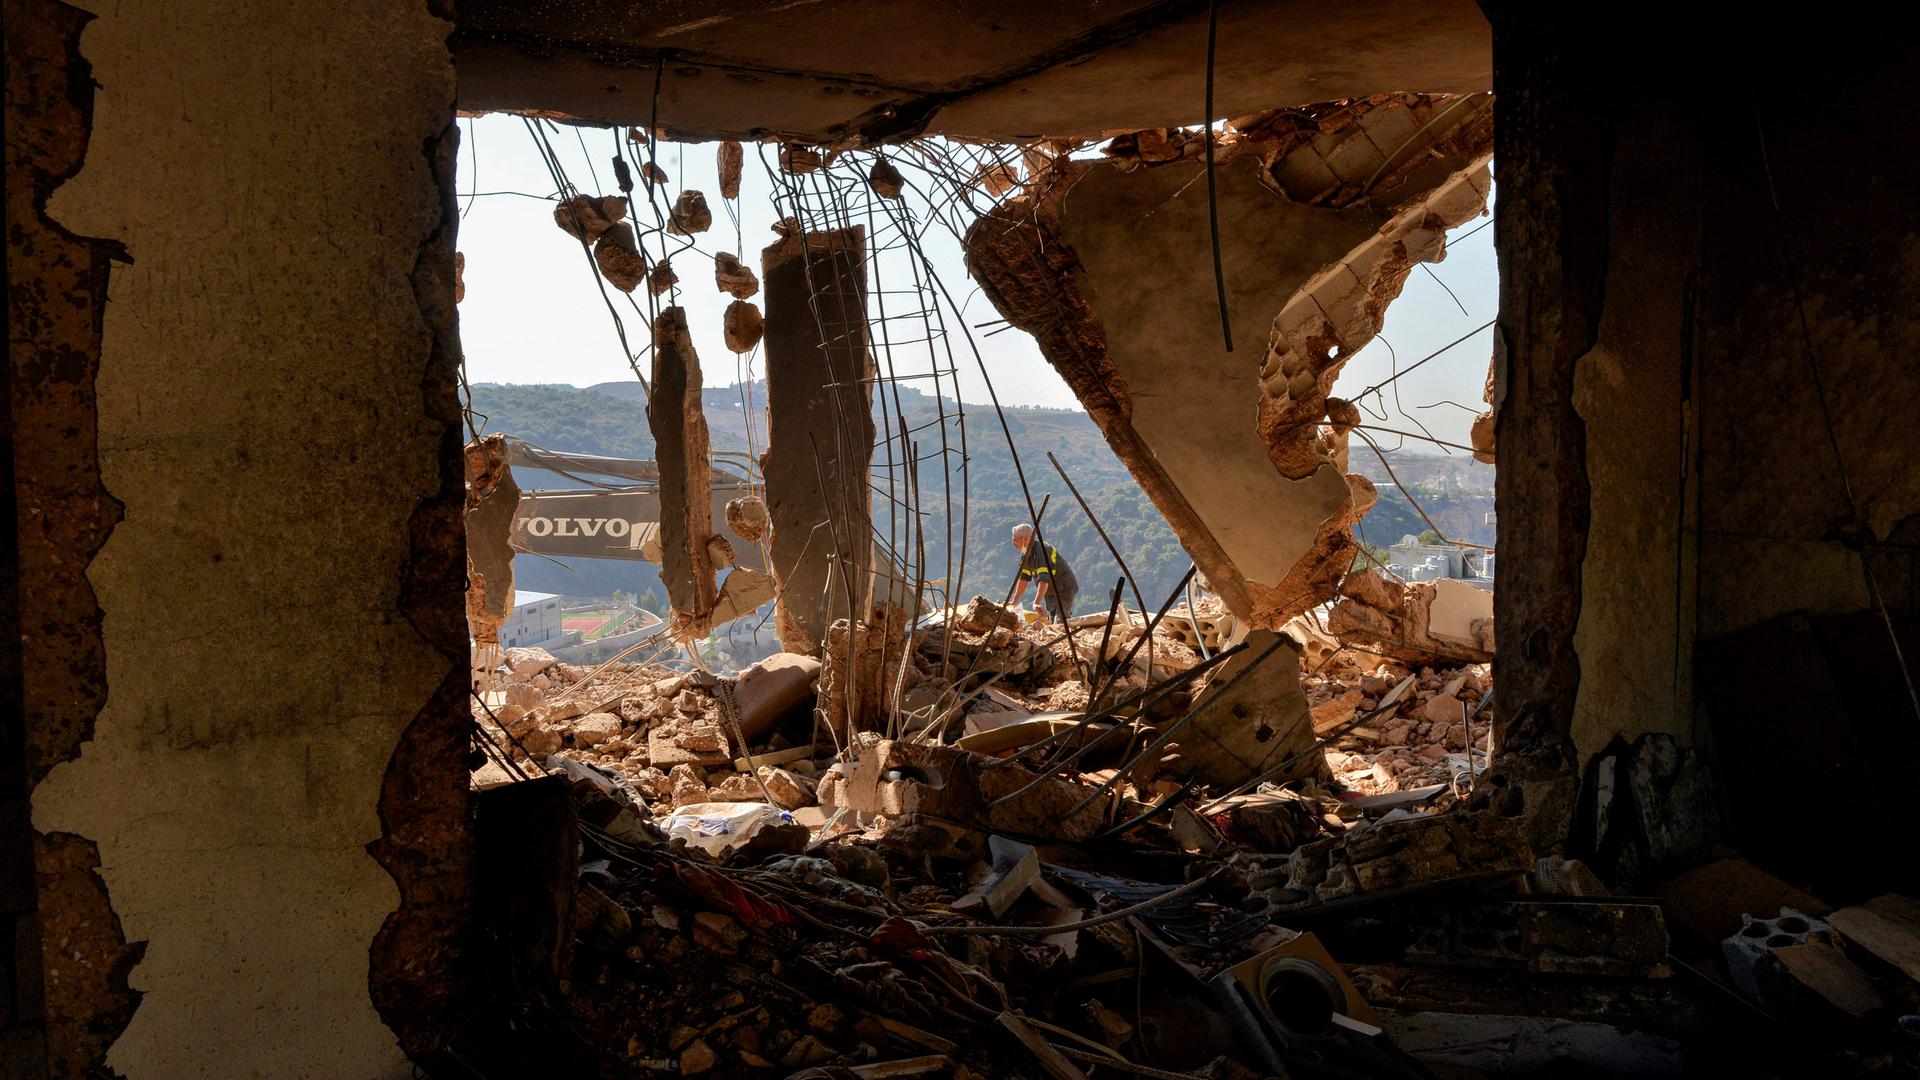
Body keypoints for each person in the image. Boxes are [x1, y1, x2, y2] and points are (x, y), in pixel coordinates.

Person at [1009, 523, 1077, 623]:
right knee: (1052, 619)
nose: (1013, 542)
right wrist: (1014, 602)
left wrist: (1036, 602)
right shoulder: (1025, 553)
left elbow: (1044, 580)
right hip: (1050, 591)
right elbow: (1024, 578)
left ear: (1025, 540)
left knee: (1060, 621)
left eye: (1015, 539)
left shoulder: (1042, 551)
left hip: (1064, 589)